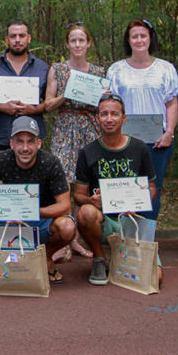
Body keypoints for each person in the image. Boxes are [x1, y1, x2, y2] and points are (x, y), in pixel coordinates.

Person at [0, 117, 76, 285]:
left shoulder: (51, 163)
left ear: (39, 143)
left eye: (30, 142)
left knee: (67, 226)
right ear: (11, 144)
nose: (25, 148)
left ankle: (45, 258)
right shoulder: (0, 159)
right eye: (19, 142)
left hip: (39, 222)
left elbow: (65, 205)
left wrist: (33, 211)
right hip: (7, 220)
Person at [74, 94, 158, 286]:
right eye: (104, 114)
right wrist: (91, 201)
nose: (109, 119)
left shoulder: (140, 148)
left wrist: (139, 204)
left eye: (114, 114)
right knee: (86, 213)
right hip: (104, 219)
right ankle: (99, 258)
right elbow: (78, 195)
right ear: (97, 119)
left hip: (132, 220)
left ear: (124, 118)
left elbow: (152, 188)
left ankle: (122, 254)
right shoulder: (88, 152)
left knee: (156, 279)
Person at [107, 20, 178, 220]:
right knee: (124, 188)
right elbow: (112, 106)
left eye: (143, 35)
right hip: (124, 141)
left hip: (157, 141)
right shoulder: (116, 70)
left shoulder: (165, 68)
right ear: (128, 40)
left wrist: (169, 132)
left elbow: (171, 103)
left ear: (150, 38)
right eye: (134, 36)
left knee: (152, 189)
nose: (139, 40)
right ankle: (124, 238)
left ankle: (146, 239)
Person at [45, 23, 105, 262]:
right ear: (67, 44)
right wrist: (67, 92)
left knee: (84, 183)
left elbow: (105, 105)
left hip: (90, 129)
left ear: (88, 43)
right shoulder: (58, 69)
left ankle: (78, 239)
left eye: (82, 40)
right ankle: (64, 238)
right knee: (63, 184)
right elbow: (48, 105)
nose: (78, 45)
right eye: (73, 41)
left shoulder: (99, 72)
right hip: (64, 127)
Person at [0, 20, 49, 157]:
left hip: (31, 136)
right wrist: (1, 107)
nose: (17, 40)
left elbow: (49, 102)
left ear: (29, 38)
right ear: (6, 39)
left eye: (21, 36)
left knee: (32, 178)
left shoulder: (42, 67)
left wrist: (33, 109)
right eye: (13, 36)